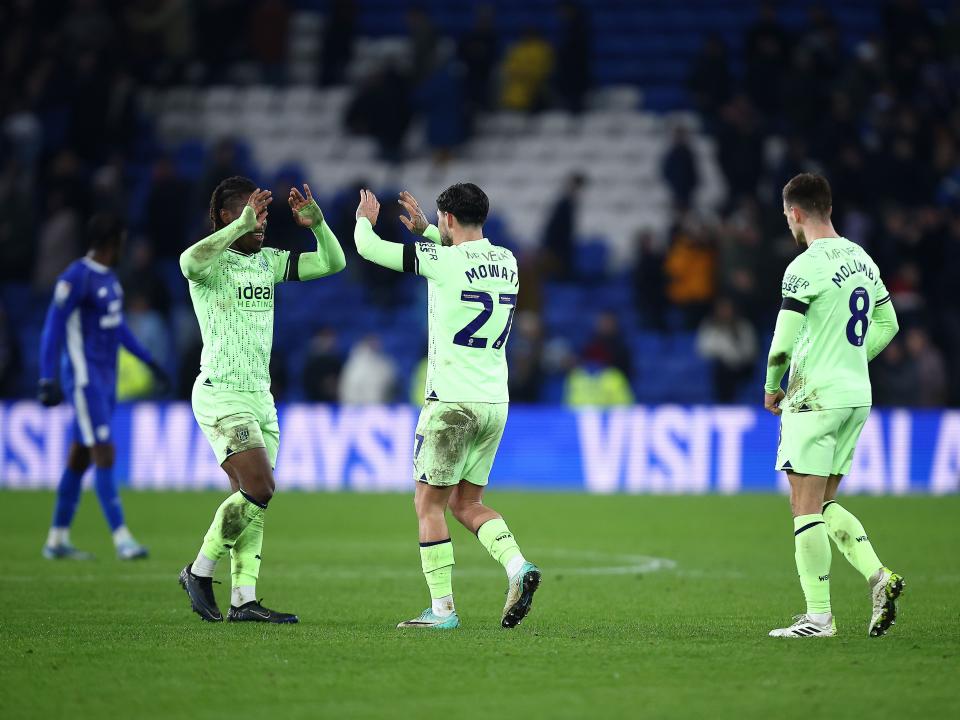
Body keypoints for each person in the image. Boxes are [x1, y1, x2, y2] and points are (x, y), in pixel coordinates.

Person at [354, 186, 540, 630]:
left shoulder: (442, 261)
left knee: (428, 505)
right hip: (495, 401)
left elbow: (369, 248)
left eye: (441, 221)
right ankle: (518, 567)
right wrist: (428, 231)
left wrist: (365, 218)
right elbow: (467, 258)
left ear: (450, 220)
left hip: (452, 404)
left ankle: (442, 612)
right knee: (467, 502)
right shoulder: (509, 262)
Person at [177, 177, 346, 624]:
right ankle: (198, 571)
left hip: (260, 397)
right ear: (226, 218)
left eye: (264, 215)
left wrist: (318, 225)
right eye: (253, 214)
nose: (262, 224)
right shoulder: (211, 265)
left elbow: (333, 262)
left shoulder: (267, 262)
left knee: (253, 501)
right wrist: (238, 228)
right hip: (221, 393)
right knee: (261, 488)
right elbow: (187, 262)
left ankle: (243, 600)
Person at [764, 173, 903, 639]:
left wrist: (771, 385)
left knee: (803, 509)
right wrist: (850, 358)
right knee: (824, 504)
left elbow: (782, 345)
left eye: (787, 217)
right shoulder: (862, 259)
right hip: (855, 396)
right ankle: (879, 576)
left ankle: (818, 618)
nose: (789, 225)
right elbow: (889, 323)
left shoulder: (804, 266)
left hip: (814, 397)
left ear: (797, 213)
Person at [38, 213, 168, 561]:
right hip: (84, 381)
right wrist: (47, 377)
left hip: (106, 381)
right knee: (105, 451)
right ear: (114, 241)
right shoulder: (75, 278)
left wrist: (149, 361)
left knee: (80, 458)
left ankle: (56, 540)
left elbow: (119, 328)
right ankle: (122, 538)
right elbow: (52, 329)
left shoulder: (110, 279)